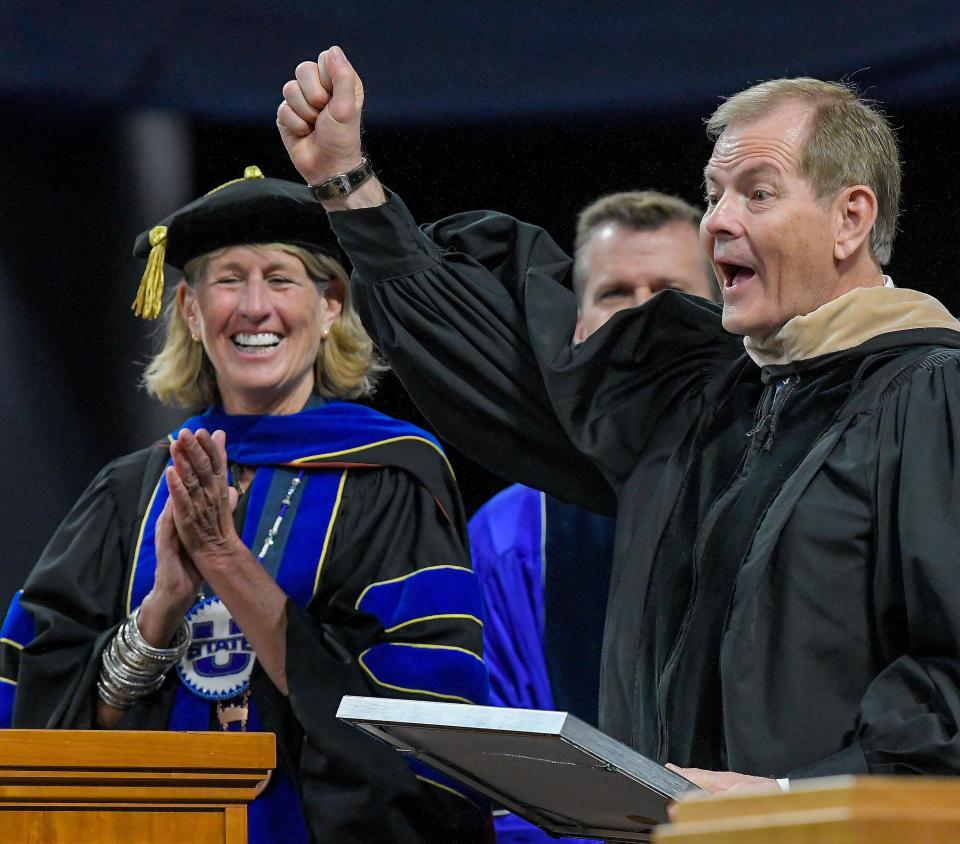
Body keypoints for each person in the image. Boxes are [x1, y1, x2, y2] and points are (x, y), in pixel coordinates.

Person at [277, 48, 960, 795]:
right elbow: (509, 354)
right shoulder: (702, 393)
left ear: (850, 217)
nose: (719, 221)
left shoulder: (929, 396)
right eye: (715, 193)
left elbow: (950, 673)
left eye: (758, 194)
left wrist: (792, 797)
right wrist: (348, 186)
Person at [1, 166, 491, 843]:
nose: (254, 307)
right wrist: (159, 612)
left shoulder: (390, 477)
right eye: (228, 279)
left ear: (330, 306)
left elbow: (416, 738)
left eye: (281, 278)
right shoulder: (131, 493)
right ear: (192, 313)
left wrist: (227, 562)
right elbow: (36, 723)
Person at [469, 191, 717, 842]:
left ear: (725, 315)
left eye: (669, 293)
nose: (643, 318)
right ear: (575, 326)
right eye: (616, 294)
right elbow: (508, 773)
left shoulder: (785, 494)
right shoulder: (513, 536)